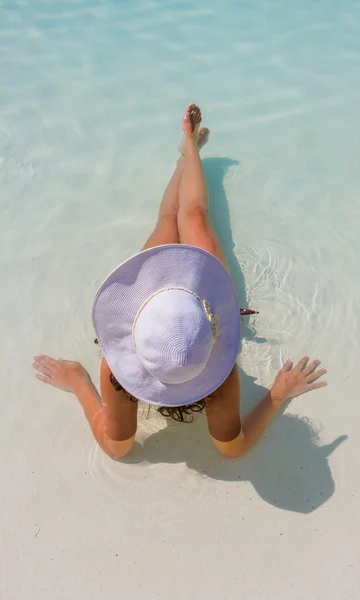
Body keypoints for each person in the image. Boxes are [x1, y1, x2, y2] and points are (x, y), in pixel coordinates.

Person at [33, 104, 327, 460]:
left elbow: (117, 449)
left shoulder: (114, 367)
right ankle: (188, 151)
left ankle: (188, 151)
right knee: (192, 216)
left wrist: (81, 382)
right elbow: (232, 450)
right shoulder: (220, 380)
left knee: (171, 218)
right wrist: (278, 393)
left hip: (173, 306)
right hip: (192, 299)